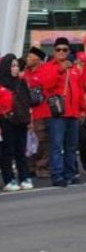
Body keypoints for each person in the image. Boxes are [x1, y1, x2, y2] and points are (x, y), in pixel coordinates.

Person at [38, 37, 84, 187]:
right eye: (58, 50)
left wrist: (83, 109)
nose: (61, 52)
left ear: (68, 51)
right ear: (54, 51)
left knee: (71, 146)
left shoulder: (75, 69)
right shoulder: (47, 67)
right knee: (57, 145)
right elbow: (47, 85)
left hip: (73, 113)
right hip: (57, 114)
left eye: (64, 50)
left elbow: (79, 90)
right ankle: (57, 175)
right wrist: (60, 69)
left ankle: (70, 173)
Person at [0, 55, 33, 191]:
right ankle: (9, 179)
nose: (16, 68)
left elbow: (28, 101)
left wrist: (30, 119)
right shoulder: (1, 84)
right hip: (5, 121)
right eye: (12, 66)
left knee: (21, 150)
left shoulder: (22, 82)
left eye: (17, 66)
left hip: (21, 120)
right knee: (7, 151)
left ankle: (24, 177)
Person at [22, 47, 49, 179]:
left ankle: (41, 166)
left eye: (29, 57)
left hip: (41, 110)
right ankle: (30, 167)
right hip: (26, 112)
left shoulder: (44, 71)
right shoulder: (25, 72)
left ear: (37, 59)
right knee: (28, 141)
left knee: (41, 140)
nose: (27, 59)